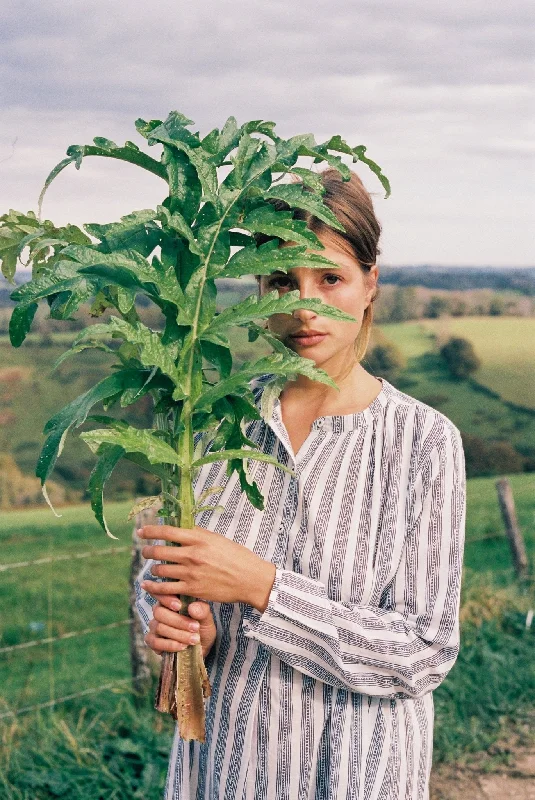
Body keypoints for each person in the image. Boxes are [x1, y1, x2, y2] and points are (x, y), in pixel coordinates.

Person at [134, 168, 466, 800]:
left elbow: (424, 652)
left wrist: (264, 588)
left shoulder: (423, 441)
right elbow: (153, 582)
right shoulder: (204, 424)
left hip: (354, 780)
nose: (302, 306)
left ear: (371, 283)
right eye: (282, 279)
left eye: (330, 278)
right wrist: (177, 630)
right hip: (221, 776)